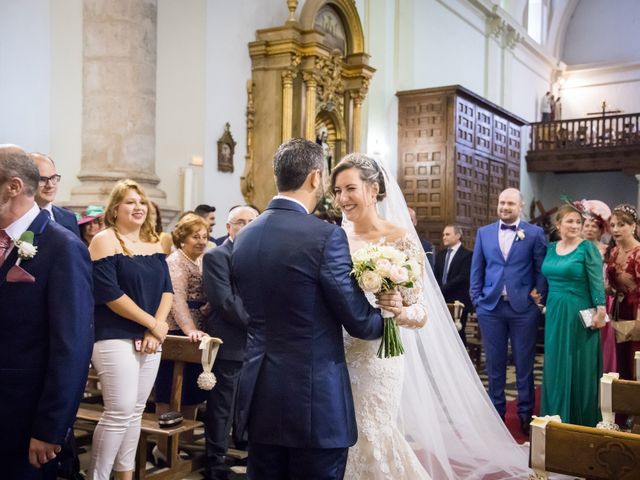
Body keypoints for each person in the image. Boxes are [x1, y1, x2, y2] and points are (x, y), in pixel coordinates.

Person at [332, 155, 532, 479]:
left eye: (349, 188)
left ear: (373, 189)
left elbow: (421, 312)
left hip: (379, 357)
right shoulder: (335, 238)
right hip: (336, 352)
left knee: (371, 433)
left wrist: (397, 309)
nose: (341, 198)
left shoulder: (400, 238)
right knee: (339, 437)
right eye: (337, 190)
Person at [231, 138, 396, 479]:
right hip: (313, 400)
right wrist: (389, 315)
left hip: (260, 390)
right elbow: (360, 322)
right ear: (314, 178)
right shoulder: (324, 236)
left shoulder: (245, 235)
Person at [0, 145, 93, 480]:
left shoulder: (63, 247)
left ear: (12, 187)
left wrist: (51, 427)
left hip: (25, 419)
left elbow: (73, 346)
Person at [87, 179, 173, 480]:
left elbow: (167, 290)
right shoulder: (104, 240)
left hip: (151, 338)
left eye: (141, 202)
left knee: (136, 411)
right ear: (115, 209)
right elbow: (110, 294)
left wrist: (156, 329)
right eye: (130, 202)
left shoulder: (155, 242)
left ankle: (125, 475)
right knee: (119, 411)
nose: (138, 207)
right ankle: (96, 476)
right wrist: (152, 324)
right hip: (114, 335)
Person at [470, 188, 547, 436]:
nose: (505, 207)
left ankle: (525, 414)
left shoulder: (534, 234)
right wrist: (477, 301)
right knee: (494, 364)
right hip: (490, 308)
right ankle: (496, 413)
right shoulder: (484, 233)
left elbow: (540, 270)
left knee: (524, 364)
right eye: (502, 203)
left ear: (520, 206)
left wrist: (537, 297)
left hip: (523, 309)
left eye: (510, 204)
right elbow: (477, 269)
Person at [202, 205, 259, 480]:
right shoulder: (216, 256)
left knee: (249, 402)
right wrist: (260, 324)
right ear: (228, 227)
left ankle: (244, 445)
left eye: (252, 221)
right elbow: (225, 301)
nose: (246, 226)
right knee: (222, 406)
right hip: (229, 339)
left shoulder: (262, 255)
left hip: (257, 345)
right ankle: (215, 460)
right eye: (240, 222)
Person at [152, 213, 210, 465]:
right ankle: (163, 447)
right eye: (195, 236)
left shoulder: (201, 261)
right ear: (182, 239)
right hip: (178, 332)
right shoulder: (176, 261)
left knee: (191, 393)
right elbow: (176, 300)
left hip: (198, 333)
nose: (201, 241)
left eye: (205, 236)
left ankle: (181, 444)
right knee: (169, 393)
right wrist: (189, 330)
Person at [540, 205, 606, 426]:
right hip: (555, 312)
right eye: (570, 221)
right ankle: (554, 419)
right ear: (558, 224)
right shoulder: (550, 248)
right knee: (555, 364)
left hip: (579, 314)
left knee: (579, 367)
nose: (575, 226)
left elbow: (596, 282)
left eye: (578, 222)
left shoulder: (587, 248)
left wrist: (601, 310)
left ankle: (580, 424)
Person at [606, 204, 640, 381]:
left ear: (633, 226)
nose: (616, 229)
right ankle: (622, 406)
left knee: (635, 359)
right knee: (620, 361)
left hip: (636, 312)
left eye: (621, 225)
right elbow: (612, 286)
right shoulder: (614, 251)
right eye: (612, 225)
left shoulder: (638, 252)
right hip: (619, 309)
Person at [433, 224, 472, 345]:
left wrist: (442, 289)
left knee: (457, 334)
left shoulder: (467, 255)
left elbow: (463, 277)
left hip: (458, 301)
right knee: (442, 333)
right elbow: (436, 275)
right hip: (441, 300)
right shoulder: (440, 254)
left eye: (447, 234)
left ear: (458, 235)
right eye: (443, 234)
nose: (444, 237)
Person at [31, 152, 81, 237]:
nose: (50, 185)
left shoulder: (69, 217)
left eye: (53, 178)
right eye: (42, 179)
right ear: (27, 181)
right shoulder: (18, 217)